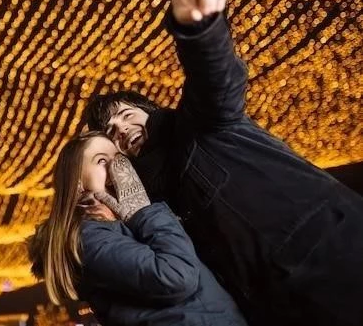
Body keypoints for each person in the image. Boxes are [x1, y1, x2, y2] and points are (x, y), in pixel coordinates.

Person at [82, 0, 363, 326]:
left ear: (150, 111)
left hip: (339, 260)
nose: (121, 130)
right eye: (110, 132)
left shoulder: (200, 127)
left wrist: (200, 29)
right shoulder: (151, 203)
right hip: (285, 309)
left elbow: (217, 81)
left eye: (127, 115)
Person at [28, 131, 248, 326]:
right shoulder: (87, 237)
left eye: (120, 160)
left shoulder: (123, 225)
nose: (118, 169)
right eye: (102, 161)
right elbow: (174, 276)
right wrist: (143, 211)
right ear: (76, 182)